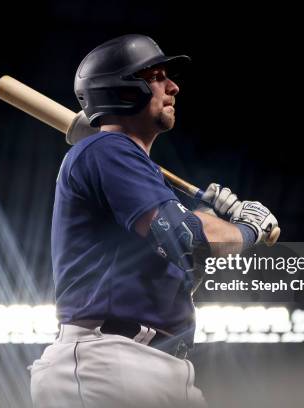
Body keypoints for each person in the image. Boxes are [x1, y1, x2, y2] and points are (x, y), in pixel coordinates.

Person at [29, 34, 278, 408]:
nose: (173, 86)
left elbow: (184, 257)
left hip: (153, 362)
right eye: (155, 76)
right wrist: (248, 228)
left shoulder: (123, 165)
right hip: (108, 361)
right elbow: (186, 238)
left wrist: (211, 218)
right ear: (120, 90)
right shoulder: (106, 149)